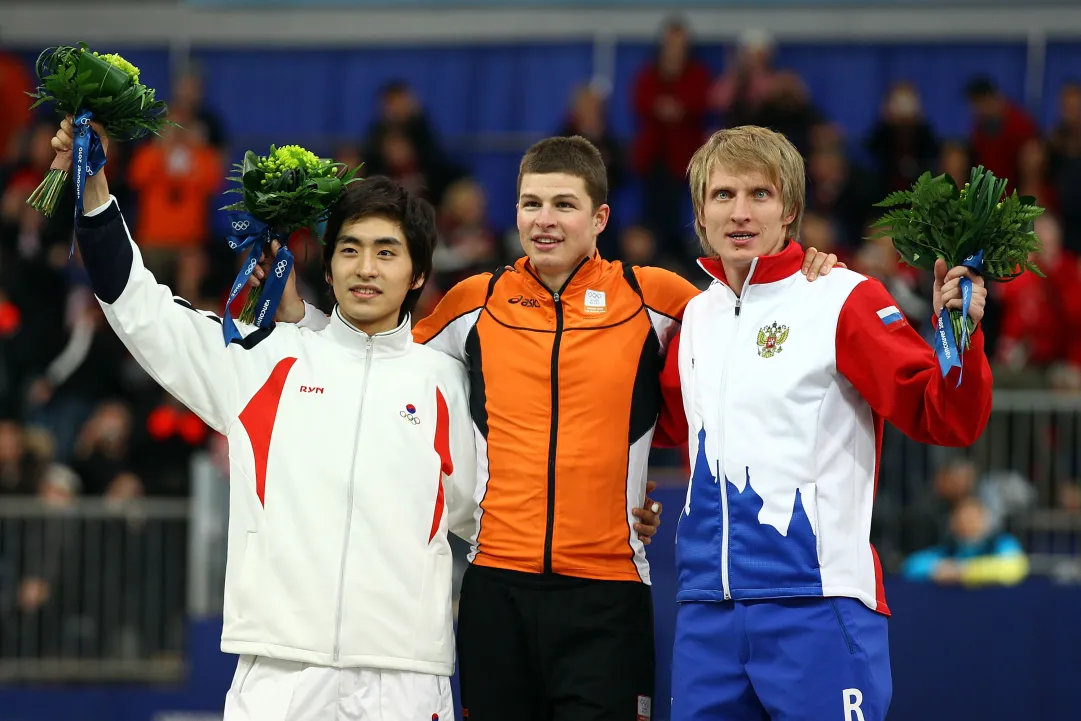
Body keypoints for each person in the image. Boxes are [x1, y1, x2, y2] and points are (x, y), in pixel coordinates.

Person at [264, 135, 841, 720]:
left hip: (609, 593)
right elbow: (376, 355)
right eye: (530, 204)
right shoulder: (476, 303)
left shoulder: (656, 299)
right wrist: (297, 314)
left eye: (564, 205)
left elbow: (748, 322)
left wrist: (804, 270)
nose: (544, 221)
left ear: (600, 217)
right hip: (495, 591)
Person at [51, 116, 478, 720]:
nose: (366, 268)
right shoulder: (265, 361)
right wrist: (93, 190)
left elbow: (493, 517)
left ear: (417, 275)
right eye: (349, 251)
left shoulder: (446, 386)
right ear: (326, 270)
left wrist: (624, 515)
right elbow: (141, 310)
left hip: (404, 679)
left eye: (387, 253)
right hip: (278, 674)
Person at [662, 125, 994, 721]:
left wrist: (960, 337)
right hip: (705, 616)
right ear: (699, 213)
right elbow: (654, 426)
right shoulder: (694, 317)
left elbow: (944, 417)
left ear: (789, 209)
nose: (740, 212)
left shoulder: (842, 298)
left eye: (759, 194)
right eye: (723, 195)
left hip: (817, 606)